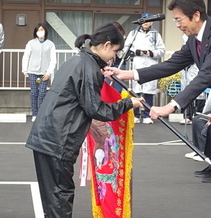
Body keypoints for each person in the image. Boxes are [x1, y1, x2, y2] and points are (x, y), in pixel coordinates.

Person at [104, 0, 211, 218]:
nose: (176, 24)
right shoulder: (196, 39)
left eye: (178, 19)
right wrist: (128, 74)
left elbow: (207, 75)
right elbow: (171, 64)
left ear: (195, 15)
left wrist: (171, 105)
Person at [25, 23, 144, 218]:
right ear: (106, 45)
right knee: (60, 197)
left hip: (44, 137)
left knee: (52, 199)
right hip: (58, 141)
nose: (114, 58)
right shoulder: (89, 68)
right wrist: (128, 103)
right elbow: (96, 109)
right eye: (114, 51)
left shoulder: (78, 60)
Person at [124, 13, 165, 124]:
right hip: (137, 63)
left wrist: (151, 53)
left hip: (150, 63)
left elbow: (162, 50)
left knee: (149, 91)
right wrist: (137, 52)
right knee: (136, 90)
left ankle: (147, 115)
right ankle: (136, 114)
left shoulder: (156, 35)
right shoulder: (134, 33)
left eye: (149, 21)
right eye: (144, 20)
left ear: (152, 22)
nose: (146, 23)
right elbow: (126, 48)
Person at [22, 23, 57, 122]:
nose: (40, 32)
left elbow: (53, 59)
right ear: (36, 32)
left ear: (45, 31)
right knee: (34, 93)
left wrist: (48, 73)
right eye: (39, 30)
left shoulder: (50, 44)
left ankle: (41, 114)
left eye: (42, 30)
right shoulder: (31, 43)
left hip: (44, 73)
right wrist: (25, 70)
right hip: (32, 72)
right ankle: (34, 114)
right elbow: (26, 56)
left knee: (42, 93)